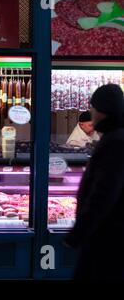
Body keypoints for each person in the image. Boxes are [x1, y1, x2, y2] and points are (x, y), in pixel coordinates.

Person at [65, 84, 124, 280]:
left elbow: (104, 193)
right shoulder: (114, 137)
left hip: (107, 237)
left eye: (94, 108)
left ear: (104, 110)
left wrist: (78, 233)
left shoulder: (115, 141)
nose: (92, 112)